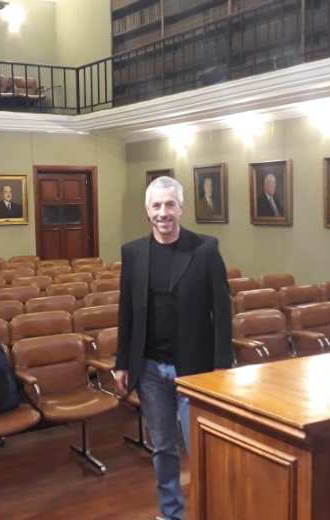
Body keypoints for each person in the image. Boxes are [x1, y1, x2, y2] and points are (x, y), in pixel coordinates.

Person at [114, 176, 233, 520]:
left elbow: (222, 312)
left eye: (169, 205)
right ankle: (170, 514)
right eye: (156, 206)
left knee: (201, 450)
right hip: (149, 369)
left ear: (180, 208)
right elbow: (127, 312)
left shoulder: (205, 249)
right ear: (146, 210)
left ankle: (213, 510)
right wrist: (123, 362)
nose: (163, 213)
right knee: (163, 449)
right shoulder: (133, 253)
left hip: (195, 371)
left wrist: (222, 367)